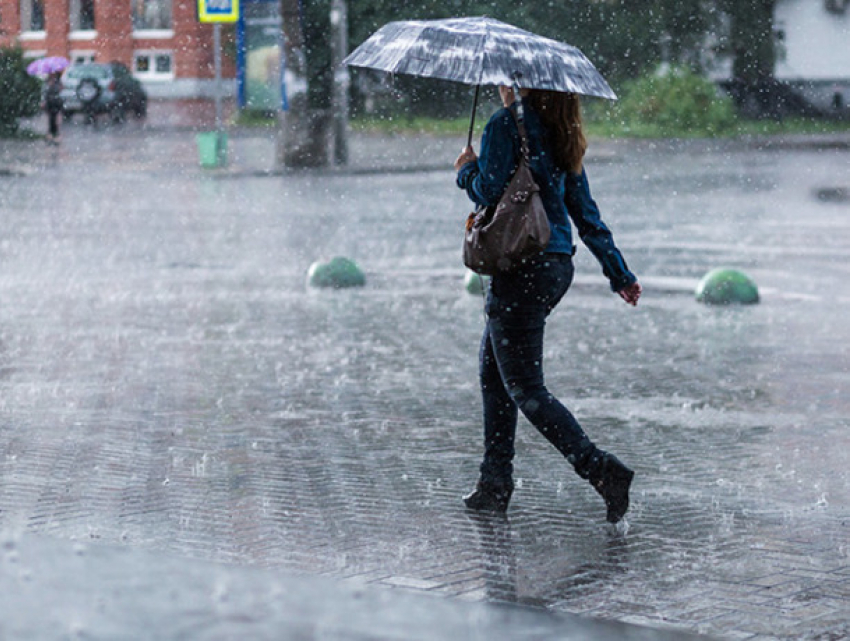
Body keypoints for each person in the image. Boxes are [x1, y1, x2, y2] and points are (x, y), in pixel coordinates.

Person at [454, 85, 642, 524]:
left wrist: (466, 169)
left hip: (520, 263)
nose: (505, 83)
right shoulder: (563, 132)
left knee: (525, 387)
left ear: (526, 85)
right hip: (555, 266)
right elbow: (586, 214)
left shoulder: (505, 126)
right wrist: (619, 273)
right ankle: (493, 484)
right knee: (494, 373)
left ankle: (601, 470)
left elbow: (486, 190)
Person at [43, 71, 63, 144]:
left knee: (55, 118)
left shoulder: (57, 81)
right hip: (49, 102)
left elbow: (60, 89)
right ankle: (51, 133)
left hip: (56, 102)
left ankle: (55, 133)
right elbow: (44, 91)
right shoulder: (47, 81)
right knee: (50, 118)